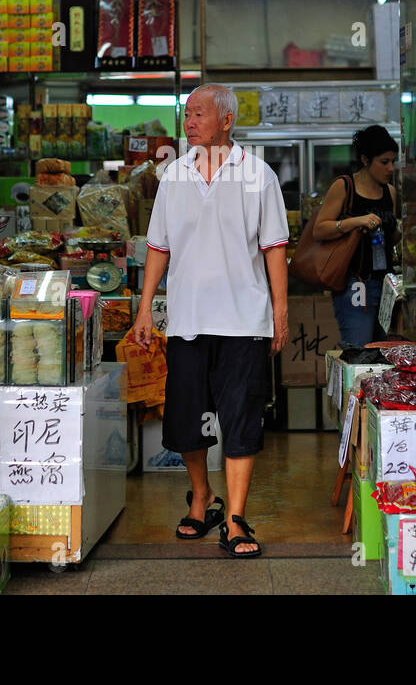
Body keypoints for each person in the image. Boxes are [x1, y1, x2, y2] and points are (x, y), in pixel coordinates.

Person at [132, 83, 290, 558]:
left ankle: (237, 519)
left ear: (225, 119)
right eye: (187, 113)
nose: (190, 120)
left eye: (199, 113)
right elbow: (158, 247)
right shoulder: (173, 175)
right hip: (187, 320)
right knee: (187, 422)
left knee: (241, 422)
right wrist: (144, 309)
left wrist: (280, 313)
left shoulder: (257, 174)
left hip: (244, 320)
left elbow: (274, 247)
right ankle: (203, 497)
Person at [310, 124, 400, 348]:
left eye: (393, 161)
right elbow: (319, 229)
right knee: (359, 349)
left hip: (387, 284)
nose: (390, 168)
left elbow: (393, 236)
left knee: (384, 351)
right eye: (384, 162)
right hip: (355, 282)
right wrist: (355, 221)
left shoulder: (390, 192)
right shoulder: (345, 186)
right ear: (365, 160)